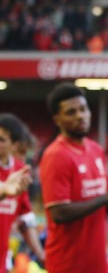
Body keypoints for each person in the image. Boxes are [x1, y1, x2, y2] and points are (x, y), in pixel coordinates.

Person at [39, 82, 108, 273]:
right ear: (57, 119)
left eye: (83, 108)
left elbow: (99, 205)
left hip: (97, 263)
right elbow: (59, 213)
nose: (80, 115)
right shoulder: (56, 155)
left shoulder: (95, 150)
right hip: (68, 265)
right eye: (71, 112)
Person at [0, 114, 41, 272]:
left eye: (2, 140)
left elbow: (25, 219)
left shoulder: (19, 171)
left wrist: (41, 254)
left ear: (14, 145)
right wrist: (4, 189)